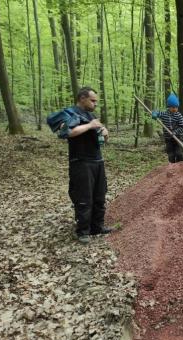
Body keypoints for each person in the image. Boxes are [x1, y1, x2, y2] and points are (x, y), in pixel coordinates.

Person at [57, 86, 111, 244]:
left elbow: (102, 139)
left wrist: (105, 133)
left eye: (96, 101)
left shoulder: (91, 115)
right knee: (83, 197)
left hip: (97, 160)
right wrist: (89, 126)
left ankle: (97, 227)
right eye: (92, 100)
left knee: (99, 195)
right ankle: (83, 231)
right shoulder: (69, 113)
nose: (95, 103)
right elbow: (67, 132)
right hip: (81, 162)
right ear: (82, 98)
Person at [152, 93, 183, 163]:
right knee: (171, 155)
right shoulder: (164, 114)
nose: (175, 109)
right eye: (173, 107)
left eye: (176, 107)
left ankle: (181, 167)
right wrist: (154, 114)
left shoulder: (179, 116)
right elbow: (156, 112)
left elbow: (181, 127)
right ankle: (172, 168)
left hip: (177, 138)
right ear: (169, 107)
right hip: (168, 139)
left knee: (179, 154)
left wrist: (175, 132)